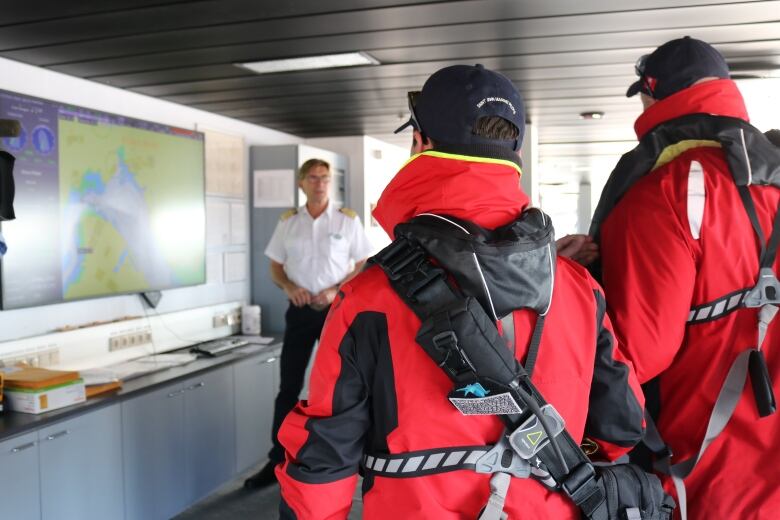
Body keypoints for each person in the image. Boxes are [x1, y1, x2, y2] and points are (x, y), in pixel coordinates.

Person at [275, 64, 646, 518]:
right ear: (515, 151)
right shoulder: (578, 287)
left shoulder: (368, 298)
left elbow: (324, 461)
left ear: (420, 142)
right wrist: (549, 453)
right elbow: (622, 424)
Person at [590, 37, 780, 518]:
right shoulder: (771, 182)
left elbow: (637, 356)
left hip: (711, 477)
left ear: (652, 96)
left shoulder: (667, 193)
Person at [244, 158, 373, 489]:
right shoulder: (289, 223)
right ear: (301, 183)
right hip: (300, 313)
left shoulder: (347, 221)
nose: (319, 183)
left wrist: (336, 290)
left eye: (325, 178)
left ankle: (335, 463)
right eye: (313, 178)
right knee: (288, 387)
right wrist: (288, 286)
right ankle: (276, 462)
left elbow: (362, 262)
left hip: (335, 312)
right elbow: (275, 265)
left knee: (338, 389)